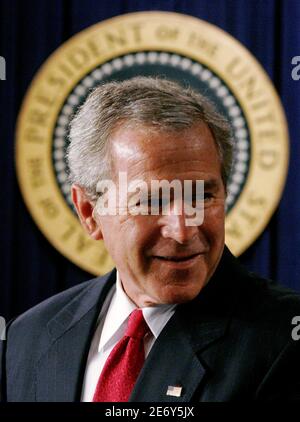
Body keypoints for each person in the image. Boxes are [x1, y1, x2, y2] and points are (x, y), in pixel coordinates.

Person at [1, 77, 300, 402]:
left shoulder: (285, 340)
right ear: (89, 211)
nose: (183, 230)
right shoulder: (28, 337)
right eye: (152, 201)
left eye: (202, 196)